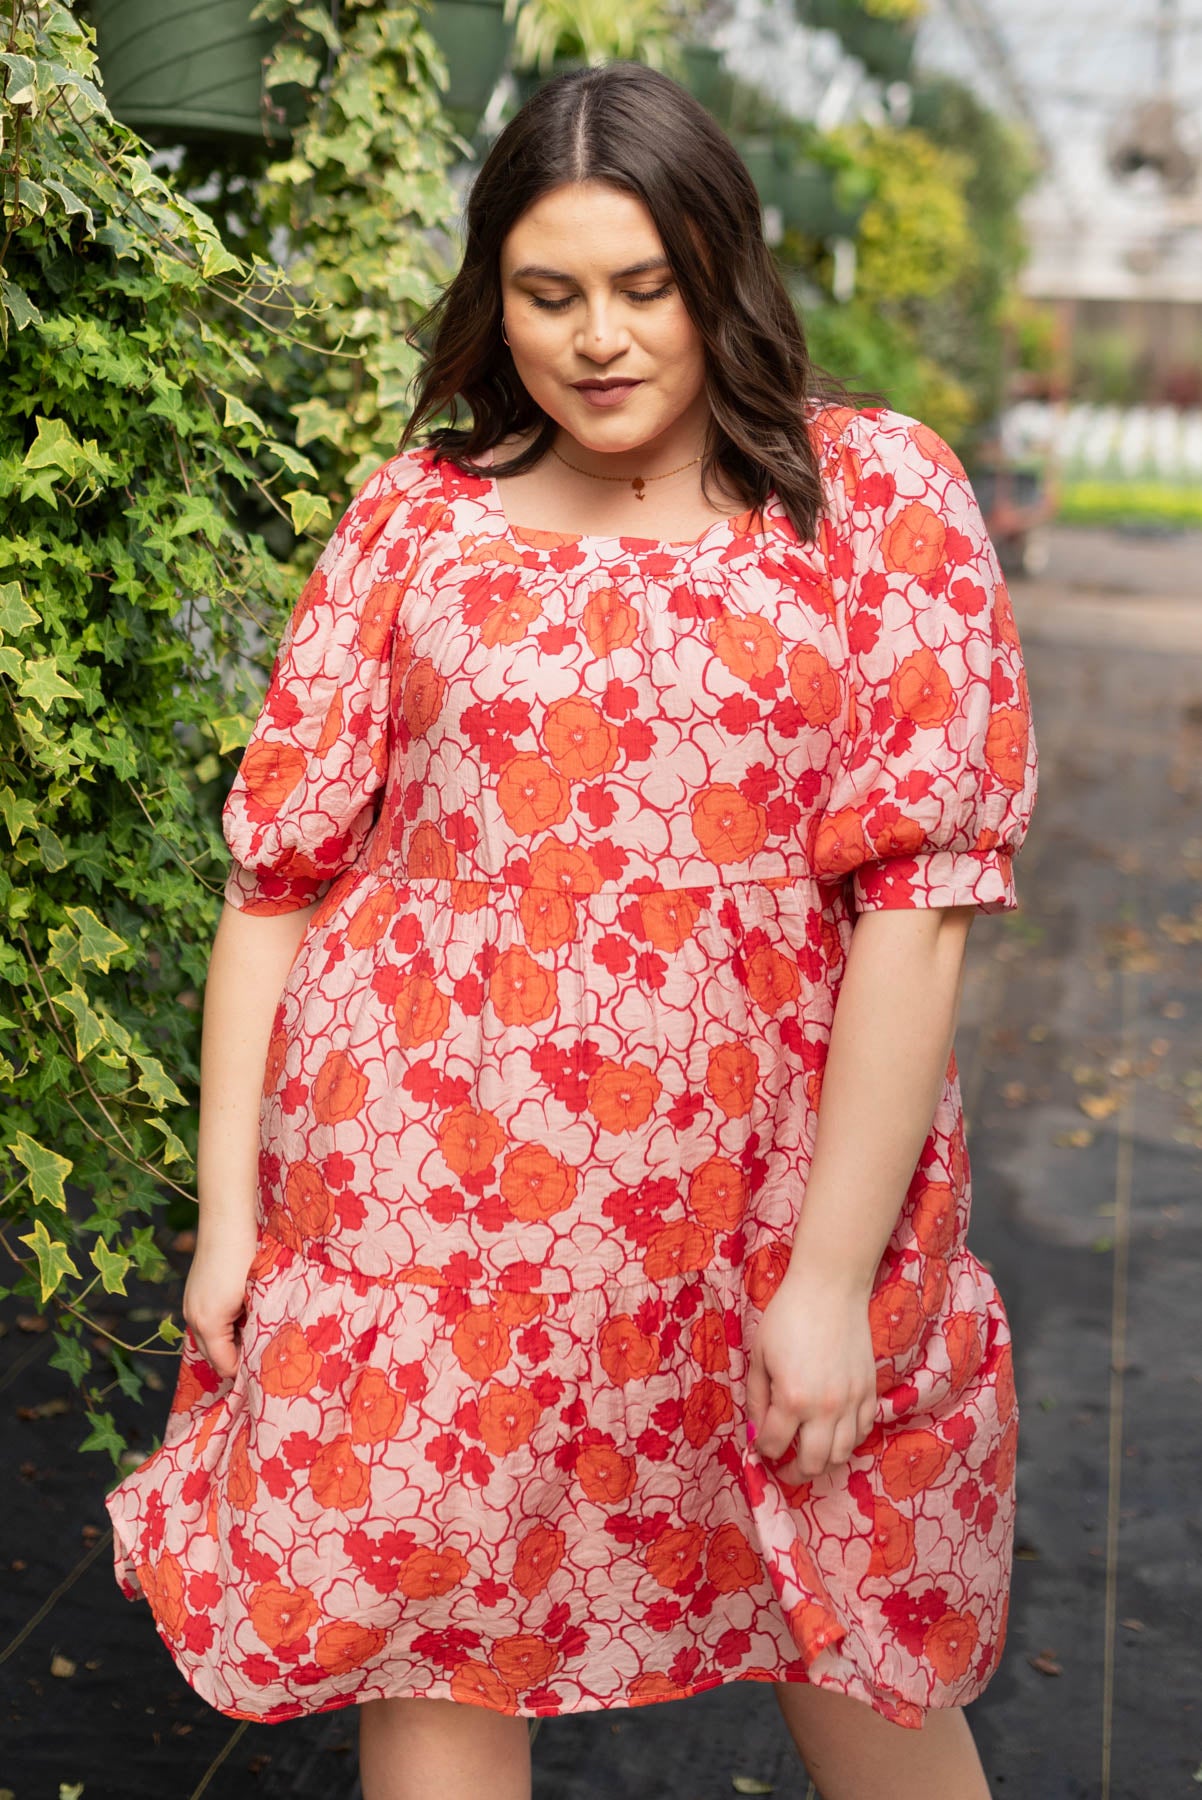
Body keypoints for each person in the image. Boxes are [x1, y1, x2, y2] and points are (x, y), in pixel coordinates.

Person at [103, 60, 1038, 1800]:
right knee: (433, 1622)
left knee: (857, 1619)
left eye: (642, 288)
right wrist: (233, 1215)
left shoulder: (872, 501)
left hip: (764, 1196)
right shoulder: (416, 520)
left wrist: (829, 1282)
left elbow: (919, 907)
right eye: (547, 293)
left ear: (721, 274)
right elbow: (279, 881)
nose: (597, 337)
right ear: (491, 296)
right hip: (418, 1213)